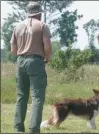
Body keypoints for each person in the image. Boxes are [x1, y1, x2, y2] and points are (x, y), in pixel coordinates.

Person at [10, 2, 51, 133]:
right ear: (39, 13)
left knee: (21, 96)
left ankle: (18, 127)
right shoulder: (42, 26)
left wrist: (24, 52)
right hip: (36, 61)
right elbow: (47, 45)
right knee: (37, 97)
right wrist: (47, 57)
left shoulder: (17, 26)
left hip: (20, 61)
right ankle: (33, 128)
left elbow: (12, 50)